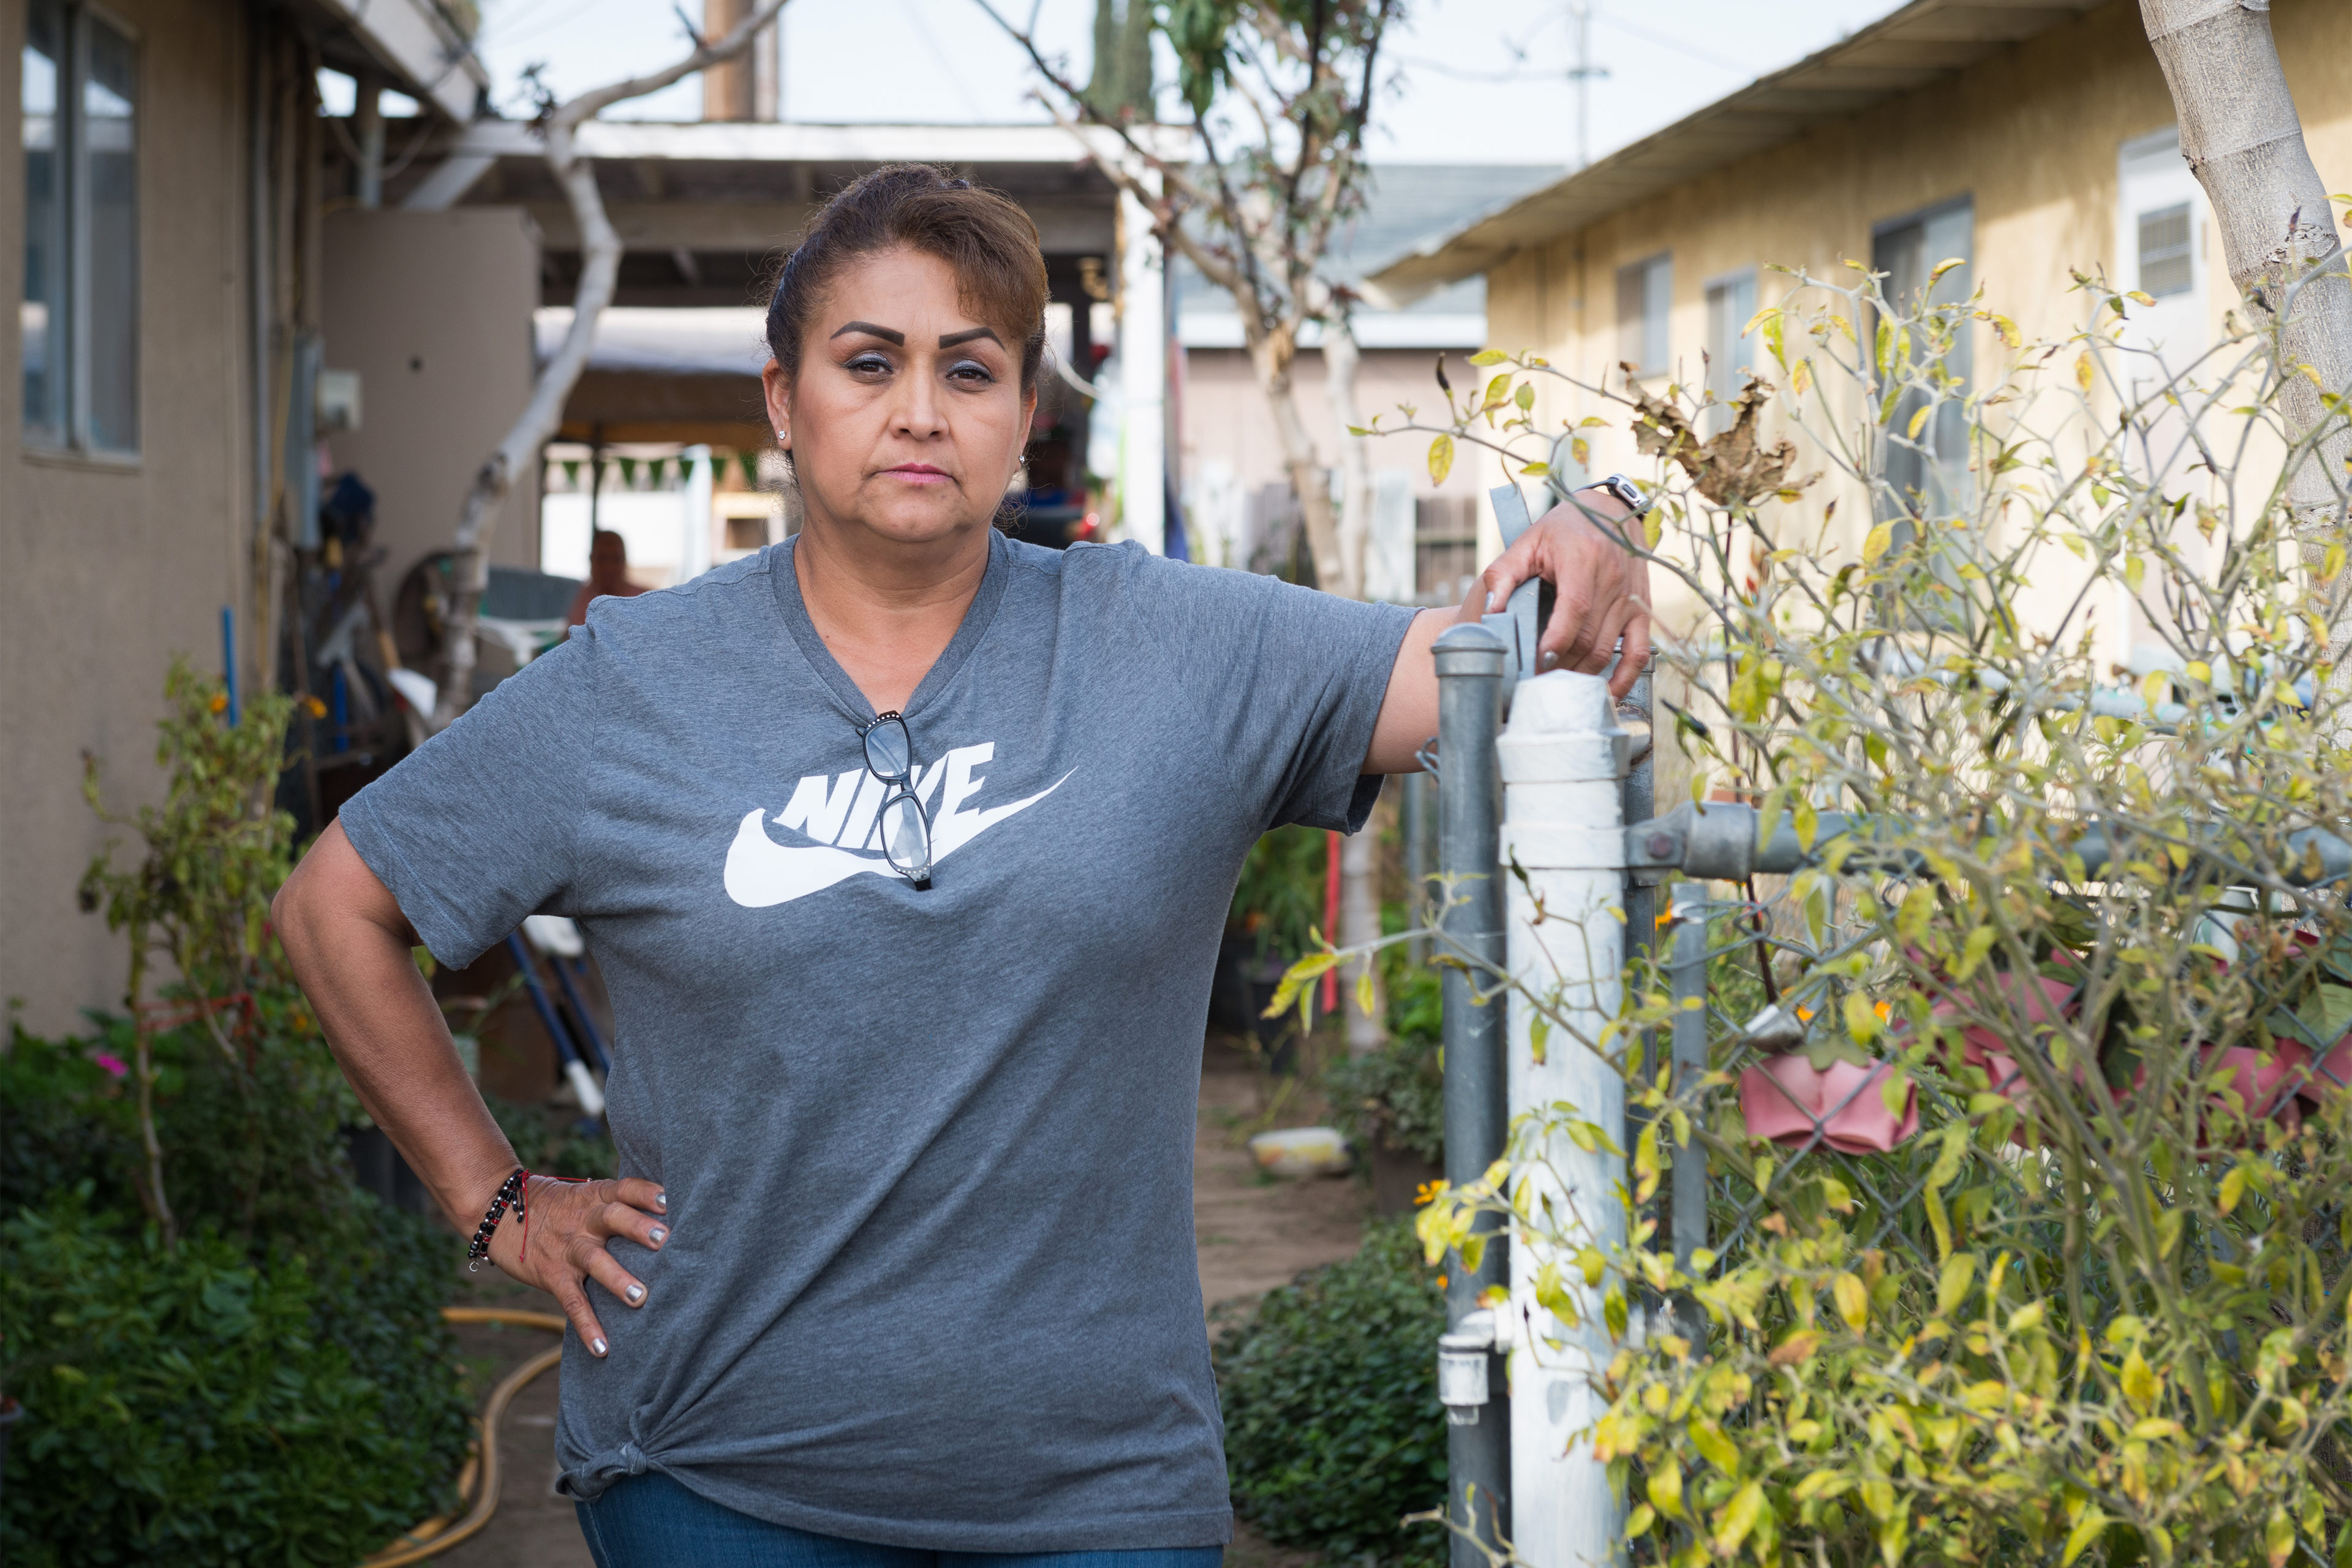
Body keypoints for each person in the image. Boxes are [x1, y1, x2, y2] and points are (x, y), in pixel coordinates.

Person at [273, 165, 1649, 1568]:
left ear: (1023, 413)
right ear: (780, 395)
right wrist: (496, 1197)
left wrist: (1597, 519)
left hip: (1099, 1490)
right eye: (867, 362)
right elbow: (337, 902)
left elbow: (1480, 660)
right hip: (717, 1477)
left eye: (969, 369)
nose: (919, 409)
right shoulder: (632, 683)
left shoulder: (1172, 649)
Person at [565, 527, 650, 630]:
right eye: (602, 558)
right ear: (591, 560)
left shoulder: (646, 600)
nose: (608, 567)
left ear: (625, 561)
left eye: (616, 559)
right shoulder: (575, 599)